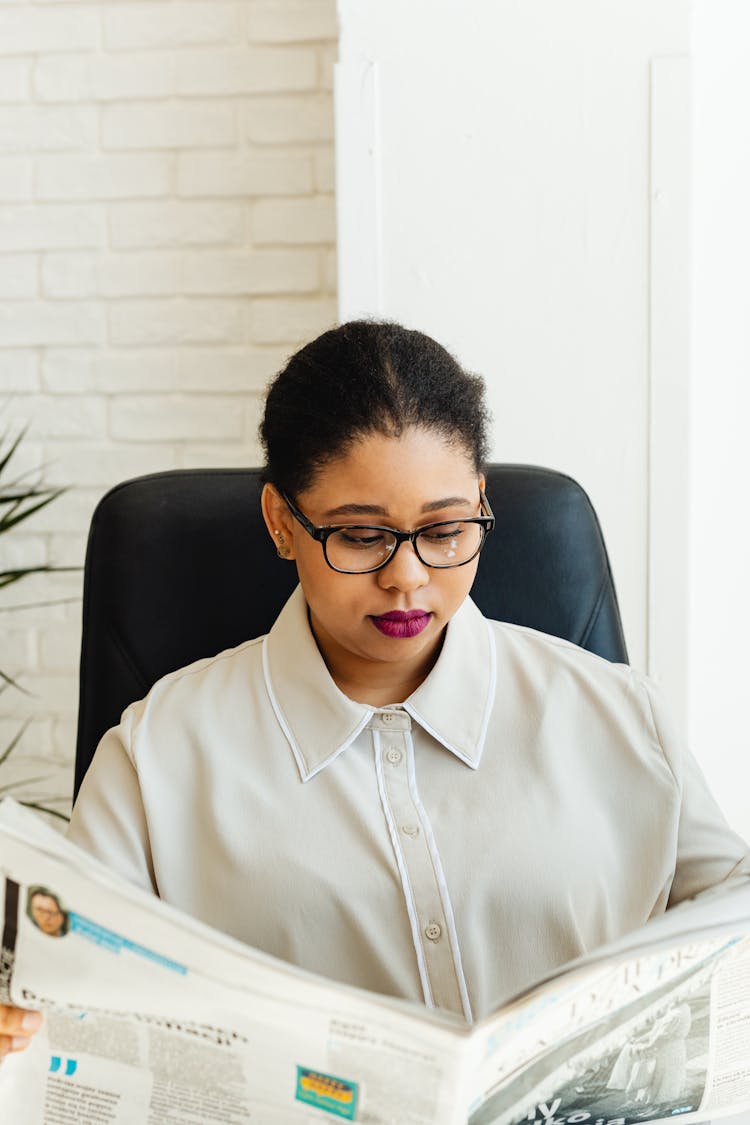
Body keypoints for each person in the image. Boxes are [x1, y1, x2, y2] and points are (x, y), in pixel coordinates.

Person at [2, 320, 749, 1059]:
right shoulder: (158, 754)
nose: (409, 576)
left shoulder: (621, 716)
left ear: (479, 501)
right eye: (361, 536)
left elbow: (730, 931)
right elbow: (64, 989)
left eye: (446, 529)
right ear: (281, 522)